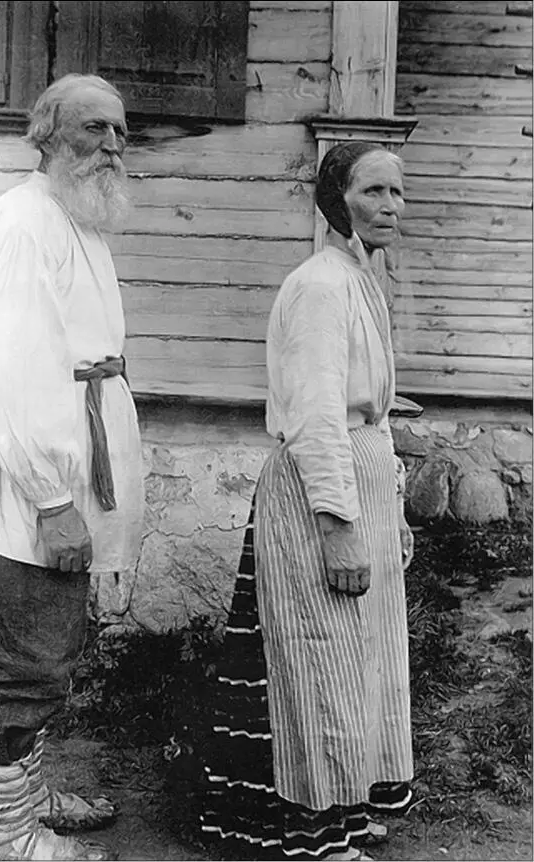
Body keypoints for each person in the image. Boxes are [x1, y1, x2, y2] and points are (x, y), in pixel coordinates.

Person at [200, 141, 415, 861]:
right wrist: (338, 524)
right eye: (373, 191)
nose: (391, 206)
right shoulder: (321, 285)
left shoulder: (361, 279)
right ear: (334, 200)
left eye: (397, 192)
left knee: (361, 659)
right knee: (320, 659)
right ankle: (314, 832)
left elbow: (374, 414)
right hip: (320, 491)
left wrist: (392, 509)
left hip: (363, 480)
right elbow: (318, 414)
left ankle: (346, 806)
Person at [0, 73, 144, 862]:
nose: (112, 144)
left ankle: (30, 800)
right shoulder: (23, 223)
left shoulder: (78, 219)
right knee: (31, 663)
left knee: (54, 651)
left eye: (120, 131)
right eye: (94, 127)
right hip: (45, 484)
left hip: (74, 472)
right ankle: (7, 835)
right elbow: (14, 372)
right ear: (46, 135)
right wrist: (53, 501)